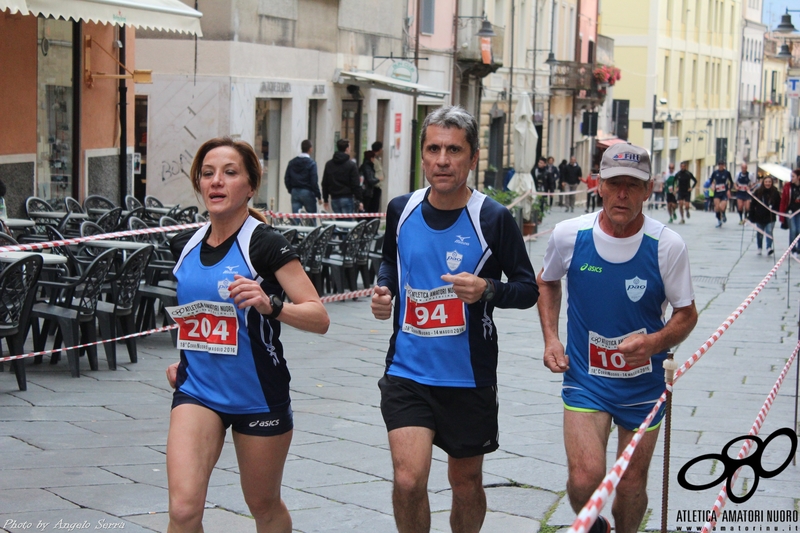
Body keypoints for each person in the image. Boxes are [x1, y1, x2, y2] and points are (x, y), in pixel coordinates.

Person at [371, 105, 539, 533]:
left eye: (453, 150)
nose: (442, 160)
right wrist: (384, 289)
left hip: (468, 377)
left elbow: (528, 289)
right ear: (422, 156)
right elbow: (390, 261)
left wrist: (488, 290)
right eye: (433, 149)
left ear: (472, 157)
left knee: (465, 483)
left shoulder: (492, 218)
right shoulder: (400, 209)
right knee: (408, 481)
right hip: (407, 371)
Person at [164, 137, 330, 533]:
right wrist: (188, 359)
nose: (216, 182)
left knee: (263, 504)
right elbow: (198, 317)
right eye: (208, 174)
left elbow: (319, 317)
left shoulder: (265, 244)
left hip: (258, 395)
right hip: (198, 392)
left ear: (250, 186)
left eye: (229, 173)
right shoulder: (183, 246)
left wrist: (271, 304)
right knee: (184, 511)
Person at [537, 141, 697, 533]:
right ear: (599, 186)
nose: (623, 193)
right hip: (586, 380)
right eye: (614, 183)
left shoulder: (667, 247)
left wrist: (654, 343)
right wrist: (551, 339)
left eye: (633, 185)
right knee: (583, 479)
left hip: (643, 386)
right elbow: (547, 282)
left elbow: (686, 315)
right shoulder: (569, 235)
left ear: (648, 190)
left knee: (630, 485)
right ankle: (595, 528)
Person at [322, 138, 362, 214]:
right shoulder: (351, 165)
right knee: (347, 224)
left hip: (334, 198)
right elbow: (355, 184)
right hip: (347, 198)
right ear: (347, 149)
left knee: (339, 222)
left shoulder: (329, 164)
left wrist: (325, 199)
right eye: (349, 148)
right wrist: (359, 199)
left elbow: (325, 183)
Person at [283, 139, 322, 215]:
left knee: (295, 218)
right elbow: (314, 181)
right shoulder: (312, 164)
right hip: (307, 191)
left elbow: (287, 178)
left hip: (295, 191)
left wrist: (291, 190)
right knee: (311, 217)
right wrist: (318, 196)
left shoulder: (292, 162)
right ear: (310, 149)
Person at [749, 175, 781, 256]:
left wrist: (777, 211)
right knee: (760, 233)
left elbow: (779, 204)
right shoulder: (758, 192)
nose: (768, 183)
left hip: (770, 217)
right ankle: (759, 247)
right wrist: (751, 216)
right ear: (763, 182)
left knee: (769, 232)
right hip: (759, 216)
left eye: (769, 182)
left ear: (772, 183)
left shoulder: (775, 192)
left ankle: (769, 247)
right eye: (766, 182)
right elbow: (753, 204)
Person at [779, 168, 800, 257]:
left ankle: (799, 249)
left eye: (793, 176)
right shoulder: (788, 186)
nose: (792, 178)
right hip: (790, 211)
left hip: (799, 211)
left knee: (799, 230)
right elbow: (783, 200)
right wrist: (782, 214)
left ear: (799, 177)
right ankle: (792, 249)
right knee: (793, 230)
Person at [709, 161, 733, 228]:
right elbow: (711, 181)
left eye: (722, 165)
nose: (721, 166)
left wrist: (729, 189)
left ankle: (723, 213)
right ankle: (719, 221)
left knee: (722, 207)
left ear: (724, 166)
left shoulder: (727, 173)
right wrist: (712, 186)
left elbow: (731, 182)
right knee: (717, 207)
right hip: (717, 192)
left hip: (724, 192)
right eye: (719, 165)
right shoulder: (715, 173)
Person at [366, 141, 385, 213]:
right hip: (375, 185)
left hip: (377, 185)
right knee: (374, 206)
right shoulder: (373, 159)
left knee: (375, 205)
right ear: (379, 149)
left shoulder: (376, 159)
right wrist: (377, 179)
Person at [360, 150, 380, 216]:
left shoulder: (365, 166)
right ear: (371, 158)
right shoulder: (367, 167)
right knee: (365, 210)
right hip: (366, 192)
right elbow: (370, 180)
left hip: (365, 191)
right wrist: (378, 179)